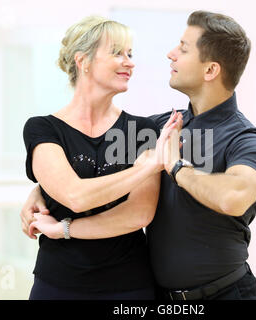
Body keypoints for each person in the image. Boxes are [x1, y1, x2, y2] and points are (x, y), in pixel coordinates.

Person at [21, 11, 256, 300]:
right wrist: (44, 188)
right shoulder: (161, 126)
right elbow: (99, 168)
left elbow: (234, 196)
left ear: (210, 71)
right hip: (162, 296)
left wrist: (176, 167)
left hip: (224, 294)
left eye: (183, 48)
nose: (170, 54)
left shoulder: (245, 139)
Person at [22, 15, 182, 300]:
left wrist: (64, 228)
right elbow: (75, 196)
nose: (129, 62)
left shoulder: (141, 130)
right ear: (83, 61)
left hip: (128, 286)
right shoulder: (42, 128)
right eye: (117, 53)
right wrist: (148, 165)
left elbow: (138, 214)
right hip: (57, 283)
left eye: (130, 54)